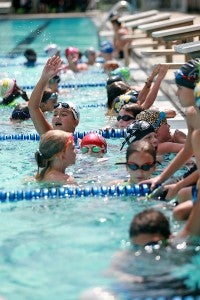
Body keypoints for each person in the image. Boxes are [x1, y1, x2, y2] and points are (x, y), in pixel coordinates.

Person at [139, 58, 200, 193]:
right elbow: (187, 150)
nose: (176, 93)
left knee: (178, 199)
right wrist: (160, 178)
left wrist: (178, 186)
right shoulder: (191, 114)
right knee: (159, 192)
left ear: (196, 88)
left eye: (180, 88)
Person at [28, 56, 80, 135]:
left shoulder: (84, 145)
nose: (57, 117)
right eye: (55, 114)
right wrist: (44, 78)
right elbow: (33, 107)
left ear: (75, 122)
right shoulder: (49, 135)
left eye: (64, 114)